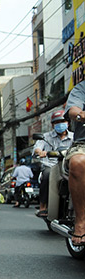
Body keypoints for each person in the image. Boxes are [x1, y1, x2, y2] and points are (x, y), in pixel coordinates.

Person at [33, 111, 74, 217]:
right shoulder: (46, 137)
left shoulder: (74, 137)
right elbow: (37, 148)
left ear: (68, 123)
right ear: (52, 125)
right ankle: (43, 206)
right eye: (57, 122)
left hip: (69, 166)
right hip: (51, 166)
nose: (60, 124)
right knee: (46, 175)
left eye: (63, 121)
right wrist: (40, 152)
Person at [65, 85, 85, 246]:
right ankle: (80, 221)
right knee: (78, 162)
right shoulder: (81, 89)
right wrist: (80, 114)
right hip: (83, 144)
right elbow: (73, 110)